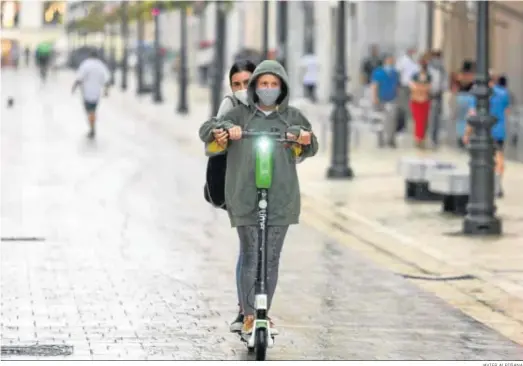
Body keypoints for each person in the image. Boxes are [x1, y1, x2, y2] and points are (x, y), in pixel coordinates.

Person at [198, 60, 319, 337]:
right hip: (244, 195)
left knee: (272, 257)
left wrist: (302, 139)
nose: (268, 89)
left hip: (281, 197)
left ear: (282, 87)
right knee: (251, 253)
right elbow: (208, 130)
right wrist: (225, 131)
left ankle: (264, 313)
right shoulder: (240, 114)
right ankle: (249, 315)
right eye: (263, 84)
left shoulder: (292, 116)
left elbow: (312, 144)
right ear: (255, 87)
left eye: (273, 84)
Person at [202, 59, 257, 333]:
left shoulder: (272, 104)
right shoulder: (229, 105)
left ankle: (256, 309)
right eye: (237, 84)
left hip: (266, 182)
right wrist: (222, 135)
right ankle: (244, 311)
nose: (242, 88)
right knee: (248, 247)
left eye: (247, 83)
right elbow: (213, 134)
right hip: (238, 186)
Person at [463, 75, 511, 198]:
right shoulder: (503, 93)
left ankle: (489, 185)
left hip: (484, 131)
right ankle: (497, 183)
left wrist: (467, 133)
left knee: (484, 159)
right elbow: (507, 111)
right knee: (499, 156)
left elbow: (472, 114)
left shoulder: (477, 94)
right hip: (499, 130)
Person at [71, 49, 111, 139]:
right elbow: (107, 79)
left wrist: (74, 88)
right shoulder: (101, 65)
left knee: (88, 111)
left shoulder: (85, 64)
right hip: (96, 93)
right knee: (93, 110)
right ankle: (92, 125)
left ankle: (92, 127)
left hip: (86, 93)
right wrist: (106, 91)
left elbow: (79, 78)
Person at [371, 54, 400, 147]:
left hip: (391, 99)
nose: (392, 62)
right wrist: (375, 97)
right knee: (380, 120)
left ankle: (391, 139)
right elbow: (375, 85)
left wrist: (396, 96)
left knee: (392, 120)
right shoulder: (378, 72)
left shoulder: (395, 73)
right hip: (380, 99)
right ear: (386, 61)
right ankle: (380, 140)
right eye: (390, 60)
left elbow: (397, 86)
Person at [409, 54, 432, 148]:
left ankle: (422, 139)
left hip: (425, 101)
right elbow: (412, 87)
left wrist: (421, 88)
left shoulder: (429, 76)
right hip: (416, 100)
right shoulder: (415, 75)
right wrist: (420, 88)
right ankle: (417, 139)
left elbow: (428, 87)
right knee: (417, 120)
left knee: (424, 121)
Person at [428, 50, 448, 147]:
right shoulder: (429, 69)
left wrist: (442, 89)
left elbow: (445, 83)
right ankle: (430, 137)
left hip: (438, 95)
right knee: (431, 117)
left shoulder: (442, 70)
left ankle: (434, 138)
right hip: (429, 96)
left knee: (437, 117)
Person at [396, 47, 419, 131]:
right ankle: (401, 126)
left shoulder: (416, 62)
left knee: (411, 107)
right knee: (402, 106)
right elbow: (398, 72)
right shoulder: (403, 60)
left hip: (415, 87)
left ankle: (411, 126)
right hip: (404, 86)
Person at [454, 60, 476, 148]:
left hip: (460, 96)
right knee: (468, 118)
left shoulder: (460, 74)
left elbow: (457, 84)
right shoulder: (472, 75)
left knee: (460, 118)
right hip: (470, 96)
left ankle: (461, 137)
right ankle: (466, 137)